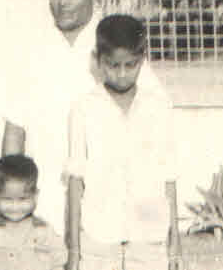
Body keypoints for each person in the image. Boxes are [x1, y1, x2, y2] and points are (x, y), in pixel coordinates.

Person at [0, 0, 99, 237]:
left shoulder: (109, 44)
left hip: (100, 190)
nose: (63, 3)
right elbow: (14, 130)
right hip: (42, 193)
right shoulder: (28, 48)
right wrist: (10, 192)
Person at [65, 14, 179, 270]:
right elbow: (75, 181)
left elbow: (169, 177)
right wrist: (74, 250)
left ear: (142, 60)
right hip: (99, 238)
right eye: (113, 65)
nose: (122, 74)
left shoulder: (158, 106)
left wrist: (174, 247)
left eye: (131, 65)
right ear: (97, 60)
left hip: (149, 238)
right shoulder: (84, 109)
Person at [0, 154, 67, 270]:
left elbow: (59, 261)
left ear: (35, 196)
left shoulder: (44, 231)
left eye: (22, 199)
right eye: (7, 199)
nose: (15, 207)